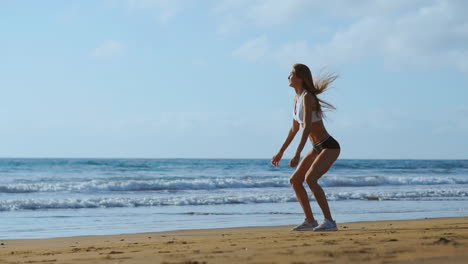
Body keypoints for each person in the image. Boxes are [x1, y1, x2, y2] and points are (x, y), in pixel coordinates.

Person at [271, 63, 341, 231]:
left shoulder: (308, 97)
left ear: (300, 78)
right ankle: (310, 221)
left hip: (328, 146)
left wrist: (297, 153)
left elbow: (307, 127)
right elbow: (294, 129)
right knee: (295, 180)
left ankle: (329, 221)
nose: (288, 77)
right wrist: (281, 152)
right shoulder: (296, 99)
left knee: (310, 179)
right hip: (317, 147)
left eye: (291, 74)